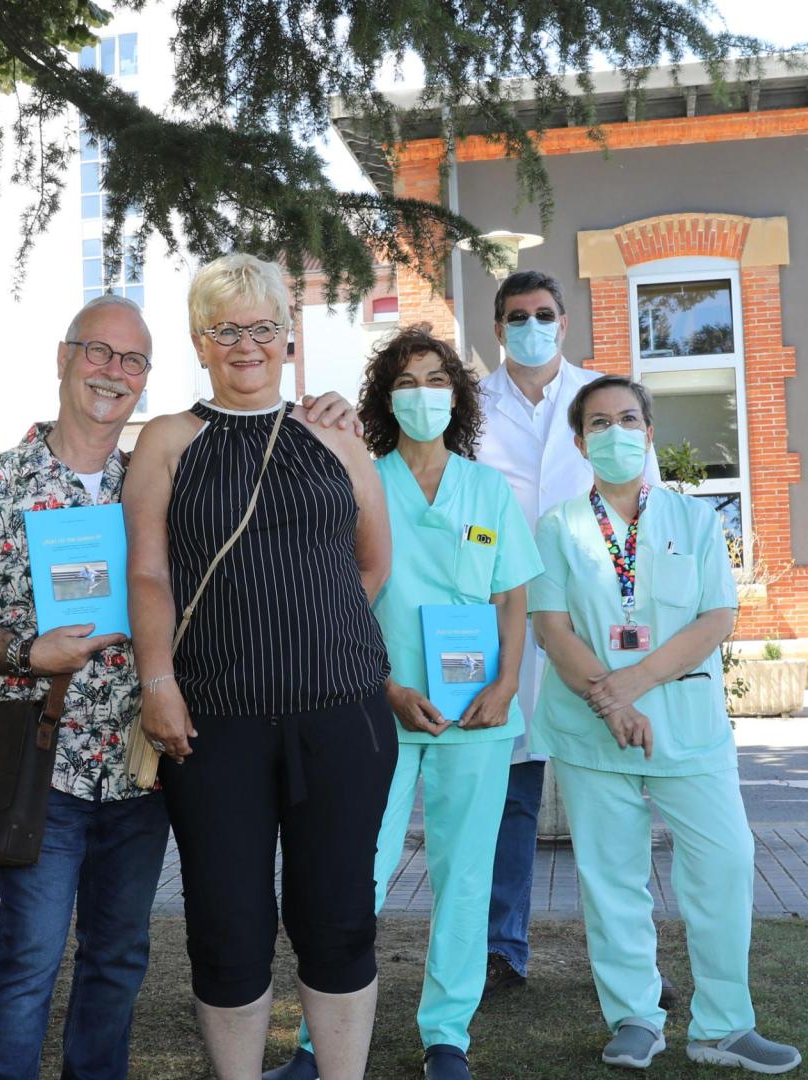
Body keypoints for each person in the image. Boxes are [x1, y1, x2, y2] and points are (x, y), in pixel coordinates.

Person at [125, 253, 395, 1080]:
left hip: (342, 718)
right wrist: (159, 682)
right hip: (214, 724)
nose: (247, 344)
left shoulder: (337, 437)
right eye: (226, 329)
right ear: (202, 343)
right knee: (229, 923)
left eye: (263, 327)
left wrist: (311, 635)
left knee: (338, 917)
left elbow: (372, 564)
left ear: (288, 337)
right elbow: (149, 572)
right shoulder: (170, 439)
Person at [279, 326, 541, 1080]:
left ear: (456, 395)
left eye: (436, 379)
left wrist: (503, 686)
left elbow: (512, 598)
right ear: (383, 399)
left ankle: (447, 1035)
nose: (422, 394)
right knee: (355, 870)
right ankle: (314, 1041)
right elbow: (339, 599)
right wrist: (387, 687)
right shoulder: (365, 479)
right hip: (376, 710)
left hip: (478, 719)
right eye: (406, 381)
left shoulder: (487, 489)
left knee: (464, 877)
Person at [0, 296, 169, 1080]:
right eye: (99, 352)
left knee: (120, 956)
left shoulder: (155, 489)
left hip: (139, 765)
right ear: (64, 358)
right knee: (27, 956)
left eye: (133, 361)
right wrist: (26, 650)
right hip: (41, 762)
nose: (113, 373)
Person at [530, 375, 800, 1074]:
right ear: (580, 439)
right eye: (598, 422)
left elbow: (717, 617)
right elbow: (552, 628)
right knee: (611, 876)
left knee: (725, 860)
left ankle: (723, 1025)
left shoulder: (695, 520)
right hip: (594, 729)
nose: (615, 432)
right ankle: (634, 1017)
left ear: (648, 433)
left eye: (628, 419)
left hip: (686, 725)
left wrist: (636, 686)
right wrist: (611, 701)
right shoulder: (558, 527)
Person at [472, 270, 659, 997]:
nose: (531, 325)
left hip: (594, 616)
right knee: (511, 800)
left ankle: (633, 963)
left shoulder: (600, 398)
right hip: (504, 617)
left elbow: (646, 501)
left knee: (610, 800)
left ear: (564, 322)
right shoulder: (471, 408)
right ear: (498, 328)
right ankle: (500, 949)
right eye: (517, 316)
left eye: (544, 314)